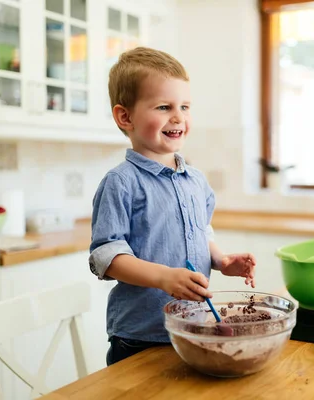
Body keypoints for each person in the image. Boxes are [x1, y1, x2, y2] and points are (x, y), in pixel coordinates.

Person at [88, 47, 256, 366]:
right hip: (141, 336)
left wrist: (221, 259)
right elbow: (106, 256)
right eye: (164, 107)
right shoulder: (121, 182)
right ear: (125, 117)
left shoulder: (195, 180)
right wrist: (164, 277)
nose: (178, 117)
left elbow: (200, 230)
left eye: (185, 107)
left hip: (192, 328)